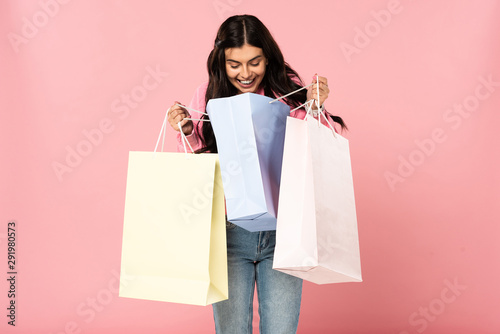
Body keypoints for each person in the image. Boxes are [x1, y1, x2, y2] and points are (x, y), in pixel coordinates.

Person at [167, 14, 345, 334]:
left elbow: (311, 148)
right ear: (221, 61)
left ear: (267, 57)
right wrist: (186, 129)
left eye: (255, 62)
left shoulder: (285, 90)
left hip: (284, 234)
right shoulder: (207, 94)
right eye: (235, 64)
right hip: (229, 233)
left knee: (281, 329)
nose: (246, 73)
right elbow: (197, 165)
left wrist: (315, 106)